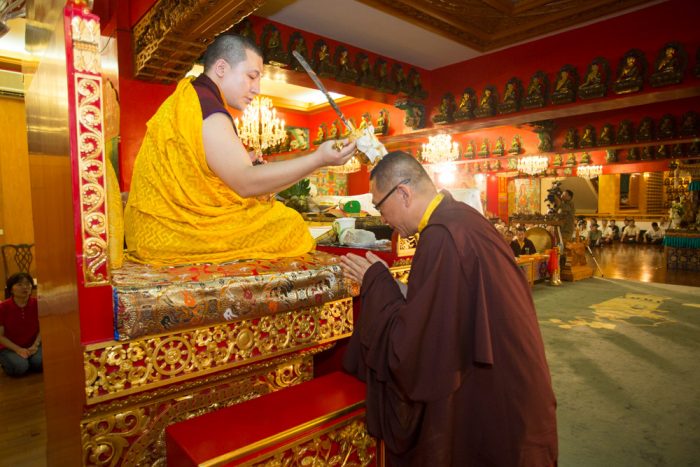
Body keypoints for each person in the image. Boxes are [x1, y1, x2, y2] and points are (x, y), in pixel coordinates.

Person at [340, 152, 558, 466]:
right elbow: (443, 304)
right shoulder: (461, 217)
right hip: (516, 380)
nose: (383, 219)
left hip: (495, 390)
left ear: (403, 192)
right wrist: (386, 281)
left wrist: (374, 282)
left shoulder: (440, 235)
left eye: (379, 206)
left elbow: (416, 348)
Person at [125, 35, 356, 265]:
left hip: (150, 231)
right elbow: (246, 183)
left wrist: (242, 160)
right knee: (288, 223)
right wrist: (319, 158)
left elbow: (198, 175)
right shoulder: (208, 109)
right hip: (175, 232)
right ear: (222, 68)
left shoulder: (191, 97)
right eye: (251, 76)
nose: (257, 89)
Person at [0, 273, 42, 377]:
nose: (25, 287)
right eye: (19, 284)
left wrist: (35, 345)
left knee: (40, 363)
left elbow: (43, 328)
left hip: (33, 345)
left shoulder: (39, 304)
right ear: (11, 289)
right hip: (9, 347)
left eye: (28, 284)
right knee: (20, 367)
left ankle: (29, 360)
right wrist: (18, 349)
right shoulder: (3, 307)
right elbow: (0, 336)